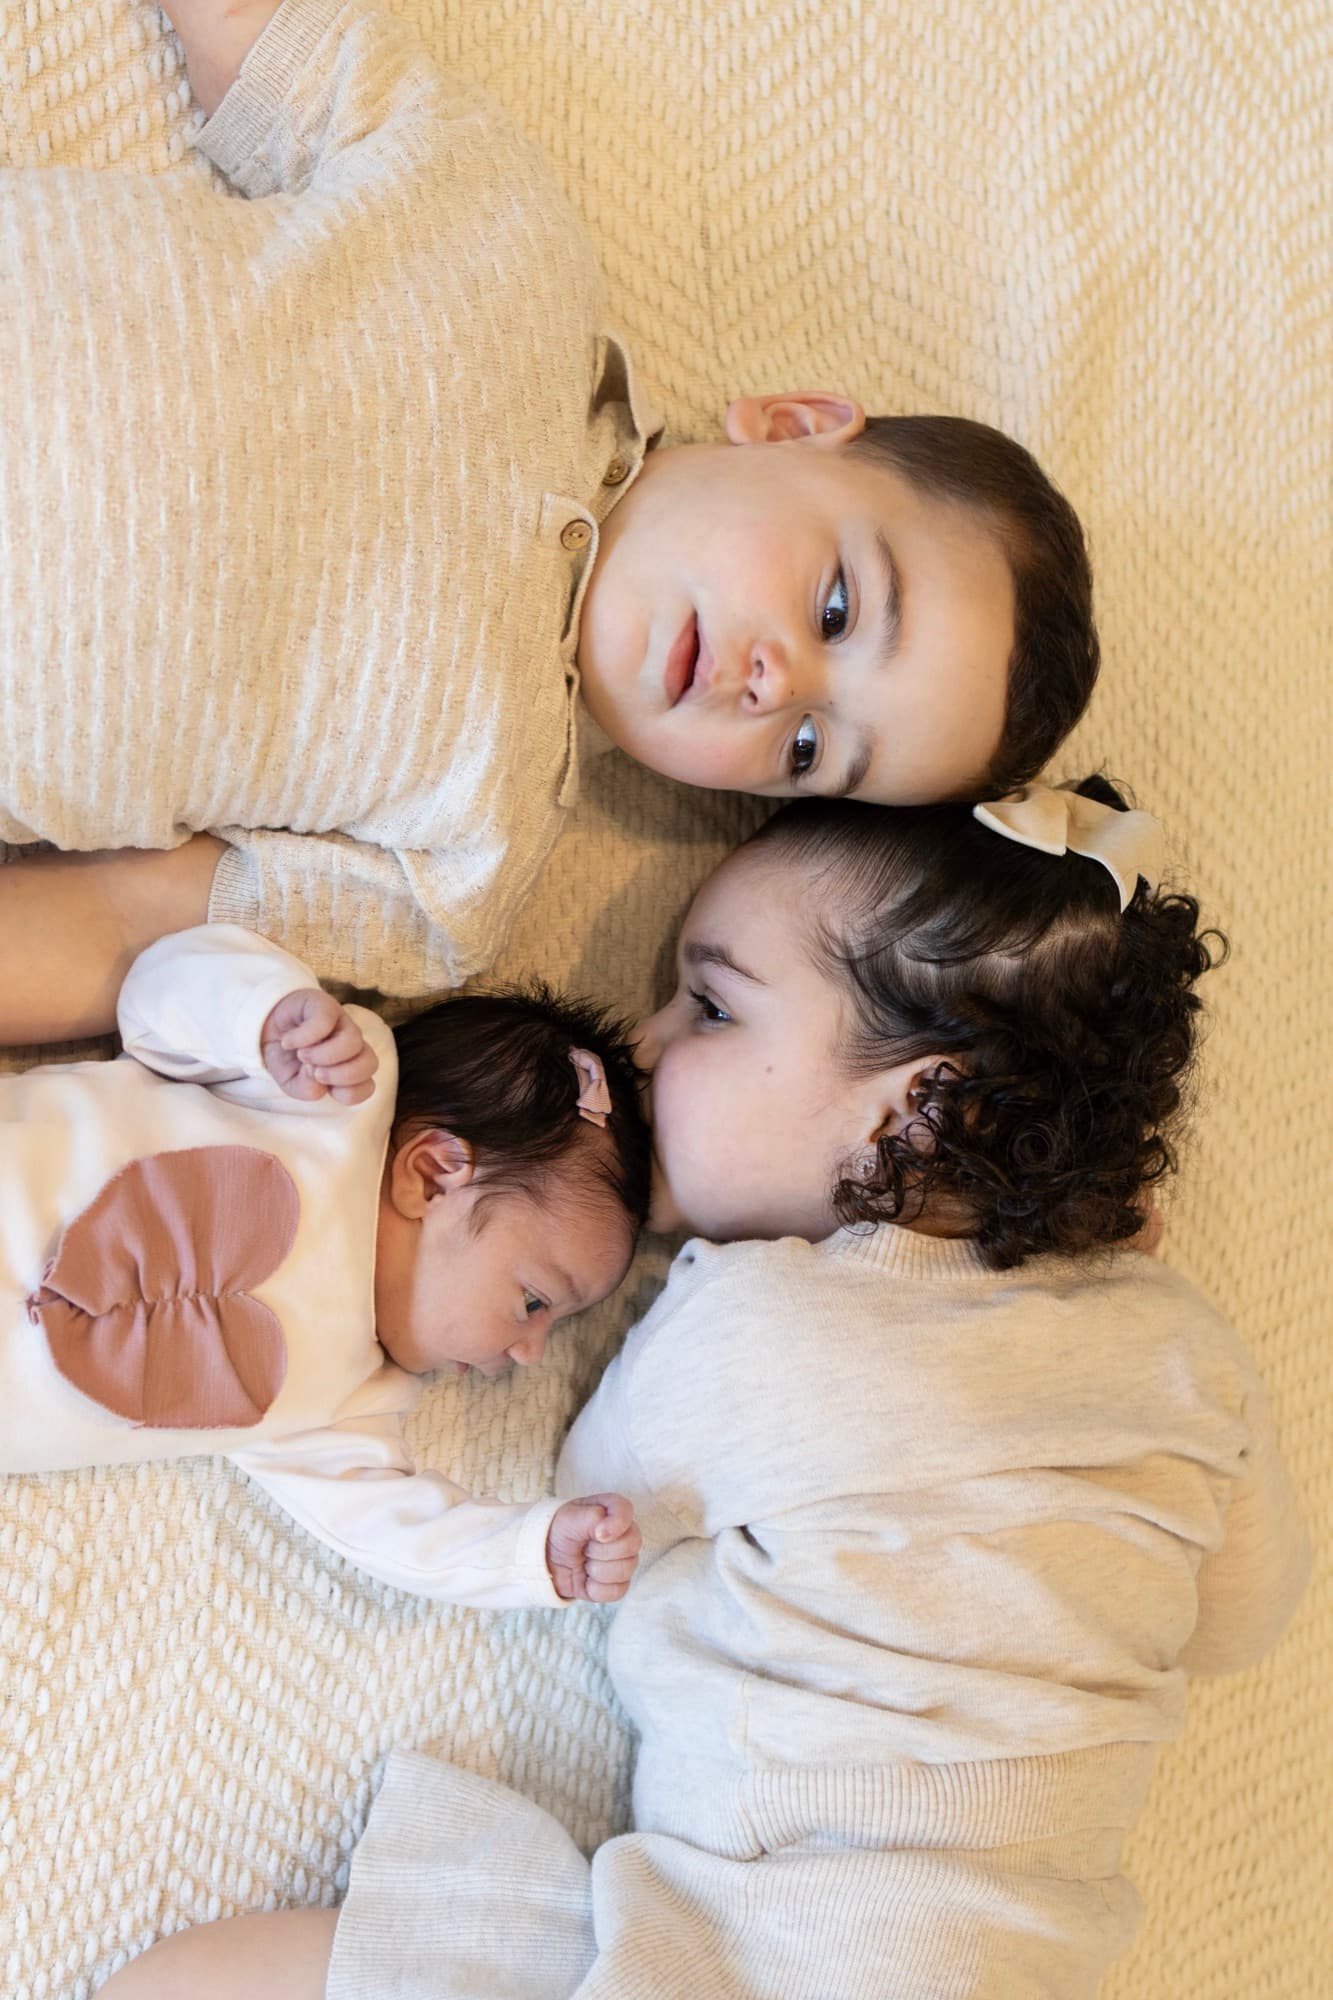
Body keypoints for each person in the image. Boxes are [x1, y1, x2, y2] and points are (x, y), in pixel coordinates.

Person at [100, 780, 1310, 1998]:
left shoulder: (762, 1318)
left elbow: (604, 1485)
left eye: (711, 1005)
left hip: (770, 1930)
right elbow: (1238, 1617)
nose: (643, 1041)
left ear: (925, 1110)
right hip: (1011, 1941)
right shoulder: (1183, 1346)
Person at [0, 0, 1099, 1041]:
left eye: (809, 748)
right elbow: (271, 48)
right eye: (836, 606)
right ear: (792, 422)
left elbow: (119, 925)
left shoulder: (465, 864)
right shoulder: (505, 249)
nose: (775, 685)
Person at [2, 924, 646, 1608]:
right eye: (534, 1301)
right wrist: (262, 1016)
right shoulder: (330, 1099)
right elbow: (156, 997)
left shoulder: (349, 1399)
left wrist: (527, 1551)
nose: (528, 1353)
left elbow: (391, 1532)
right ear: (431, 1175)